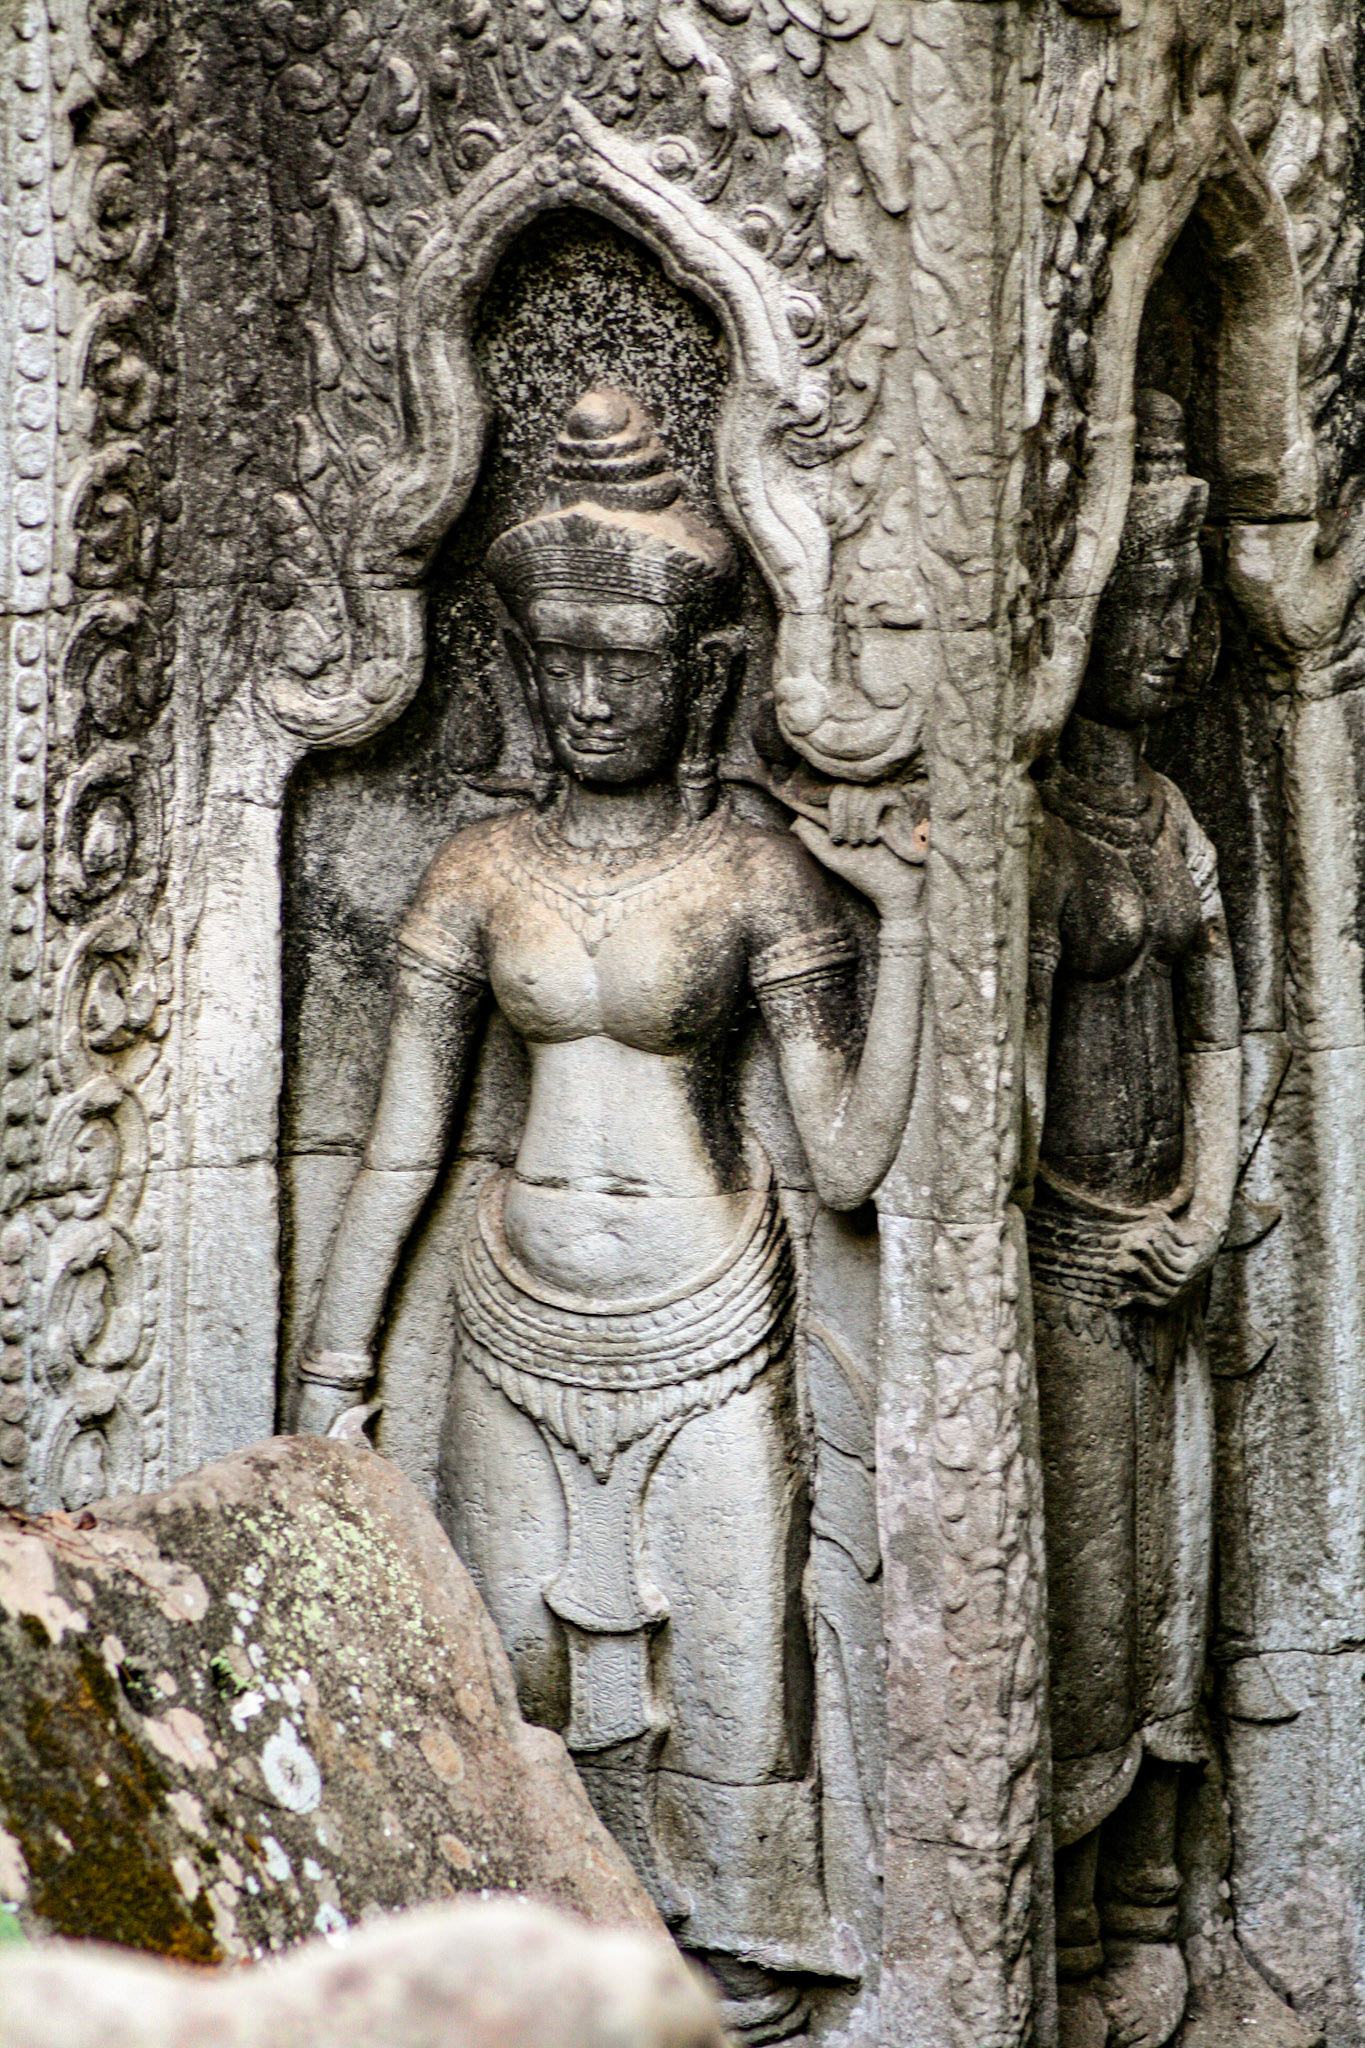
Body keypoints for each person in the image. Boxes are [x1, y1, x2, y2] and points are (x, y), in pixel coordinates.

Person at [296, 388, 926, 2040]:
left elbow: (848, 1163)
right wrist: (330, 1376)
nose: (590, 698)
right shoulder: (477, 870)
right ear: (520, 670)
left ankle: (734, 1972)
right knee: (513, 1673)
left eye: (626, 666)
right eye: (561, 663)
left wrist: (915, 924)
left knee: (730, 1675)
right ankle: (544, 1967)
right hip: (511, 1324)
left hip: (709, 1321)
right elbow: (400, 1151)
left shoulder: (756, 875)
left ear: (700, 677)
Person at [1023, 391, 1240, 2048]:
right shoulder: (1030, 834)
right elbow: (1003, 1096)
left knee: (1175, 1590)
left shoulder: (1168, 819)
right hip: (1063, 1267)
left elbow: (1223, 1029)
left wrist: (1207, 1205)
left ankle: (1160, 1892)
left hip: (1170, 1254)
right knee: (1084, 1616)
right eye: (1138, 605)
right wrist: (1091, 1228)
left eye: (1181, 603)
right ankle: (1074, 1917)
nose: (1169, 638)